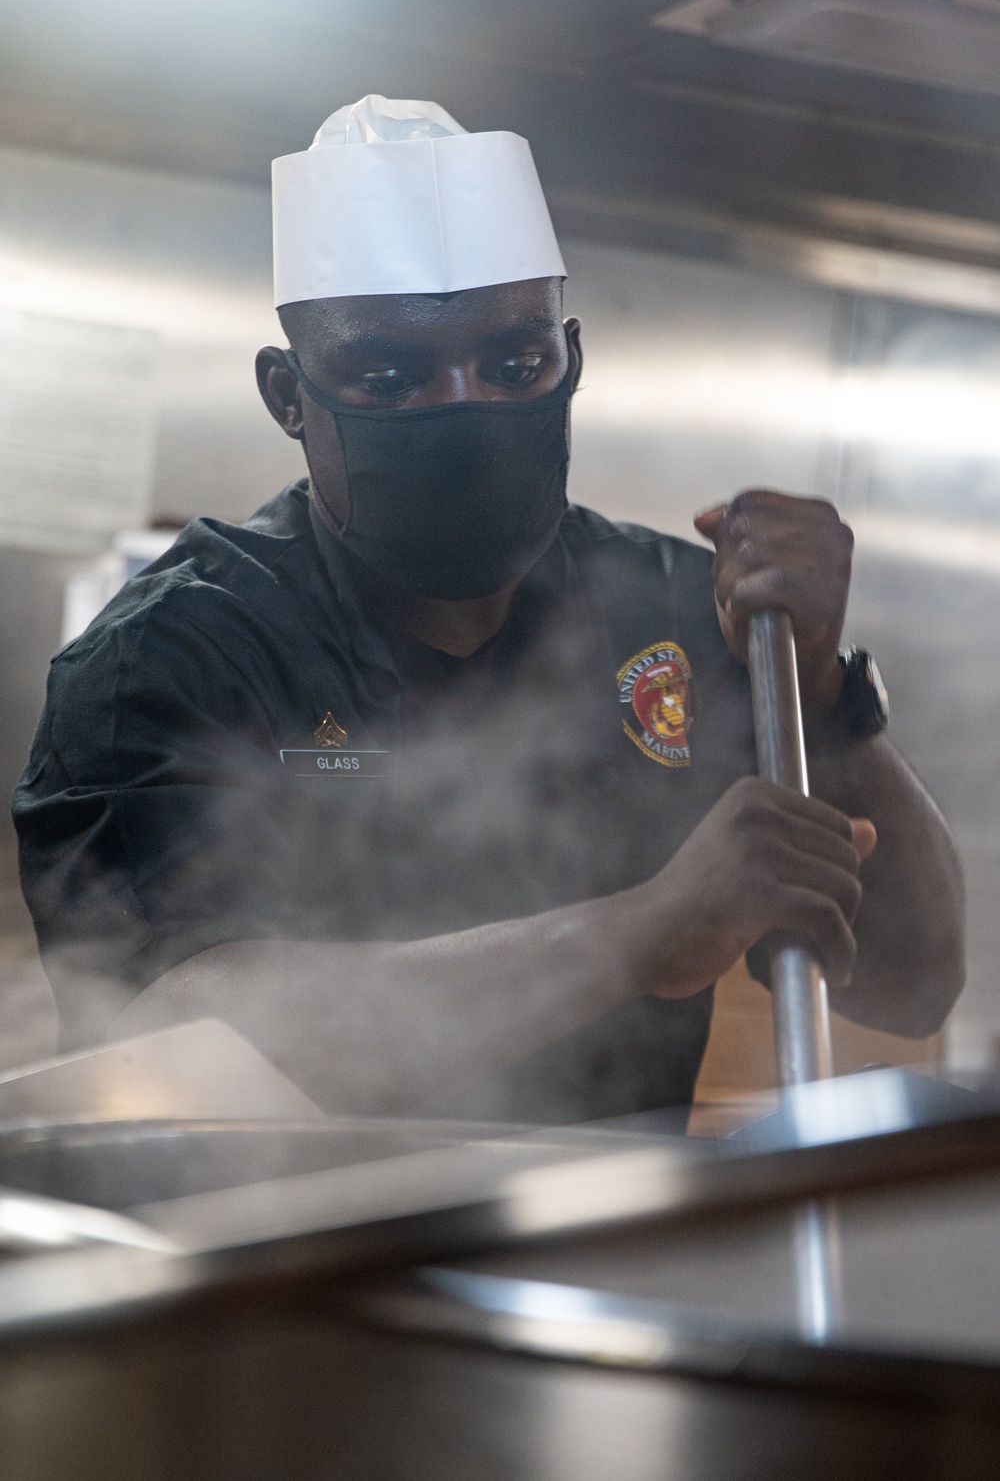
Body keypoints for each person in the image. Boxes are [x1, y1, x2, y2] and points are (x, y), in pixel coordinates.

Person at [13, 96, 963, 1122]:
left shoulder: (678, 615)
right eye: (387, 376)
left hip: (598, 1253)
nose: (461, 410)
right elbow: (186, 1049)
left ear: (572, 362)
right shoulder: (177, 655)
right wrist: (640, 932)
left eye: (514, 366)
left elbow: (914, 979)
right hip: (279, 1265)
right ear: (289, 396)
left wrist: (823, 688)